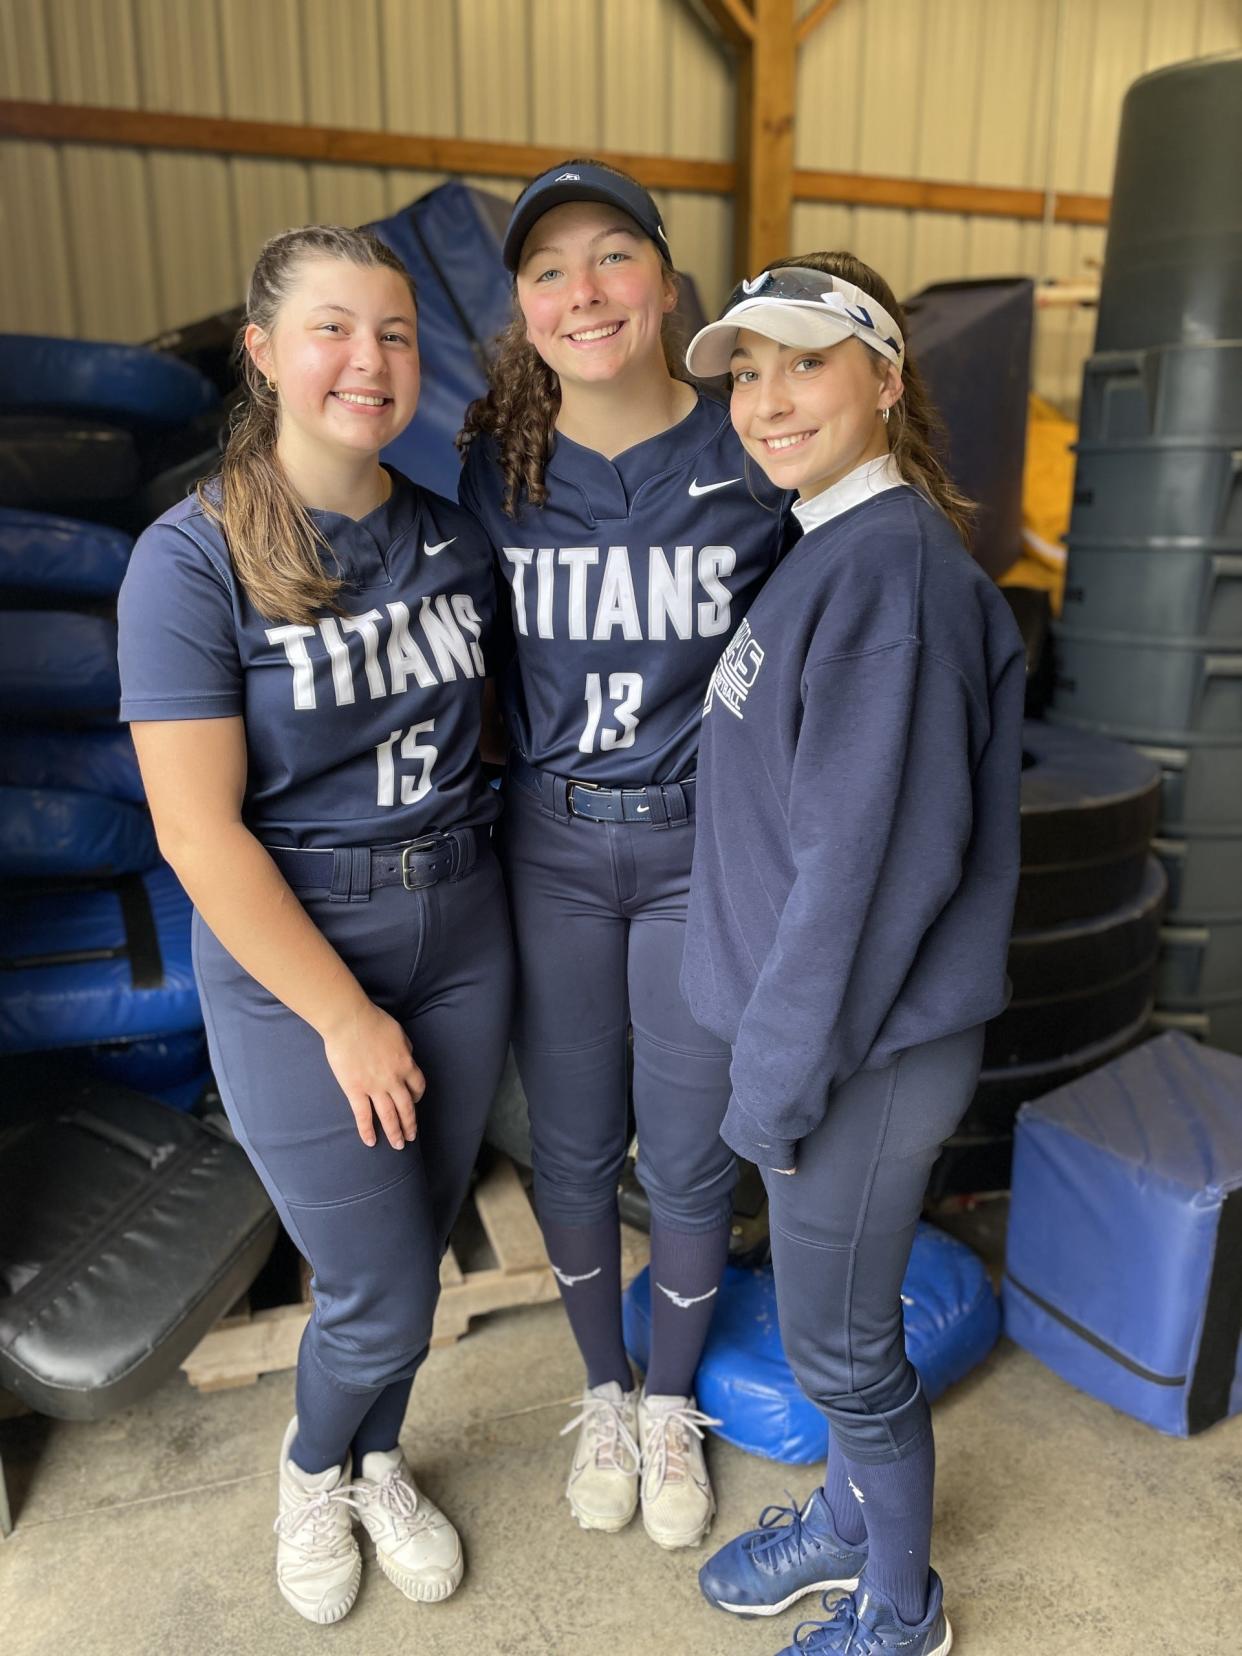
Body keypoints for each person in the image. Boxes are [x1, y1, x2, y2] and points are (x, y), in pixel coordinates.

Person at [117, 226, 513, 1626]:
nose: (369, 360)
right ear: (267, 353)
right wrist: (344, 1015)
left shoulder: (451, 537)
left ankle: (378, 1457)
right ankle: (307, 1473)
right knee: (382, 1281)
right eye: (334, 329)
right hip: (300, 959)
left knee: (413, 1235)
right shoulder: (193, 560)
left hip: (461, 924)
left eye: (396, 333)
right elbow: (195, 831)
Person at [679, 256, 1025, 1655]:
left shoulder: (888, 579)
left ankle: (899, 1606)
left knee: (841, 1348)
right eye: (745, 371)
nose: (765, 398)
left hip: (859, 1054)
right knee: (835, 1326)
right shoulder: (827, 544)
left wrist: (771, 1082)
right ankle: (840, 1524)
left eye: (802, 362)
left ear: (885, 378)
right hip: (819, 1032)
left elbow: (866, 880)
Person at [457, 161, 791, 1550]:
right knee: (579, 1145)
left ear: (665, 281)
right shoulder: (494, 468)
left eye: (609, 257)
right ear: (522, 307)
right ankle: (601, 1387)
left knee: (695, 1150)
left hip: (698, 854)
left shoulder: (752, 448)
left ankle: (668, 1404)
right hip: (551, 844)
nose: (581, 290)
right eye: (547, 270)